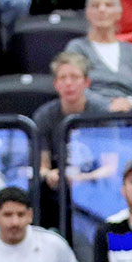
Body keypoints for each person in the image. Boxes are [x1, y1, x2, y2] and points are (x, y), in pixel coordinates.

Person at [32, 51, 113, 230]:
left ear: (86, 82)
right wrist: (50, 175)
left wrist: (80, 178)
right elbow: (42, 167)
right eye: (63, 78)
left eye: (74, 77)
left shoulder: (101, 112)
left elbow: (110, 168)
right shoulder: (44, 115)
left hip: (95, 185)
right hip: (59, 187)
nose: (68, 83)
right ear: (56, 84)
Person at [64, 0, 132, 112]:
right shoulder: (77, 48)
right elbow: (74, 87)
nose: (102, 10)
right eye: (95, 5)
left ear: (119, 13)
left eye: (108, 5)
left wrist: (130, 102)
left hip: (131, 111)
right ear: (88, 13)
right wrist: (107, 105)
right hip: (93, 112)